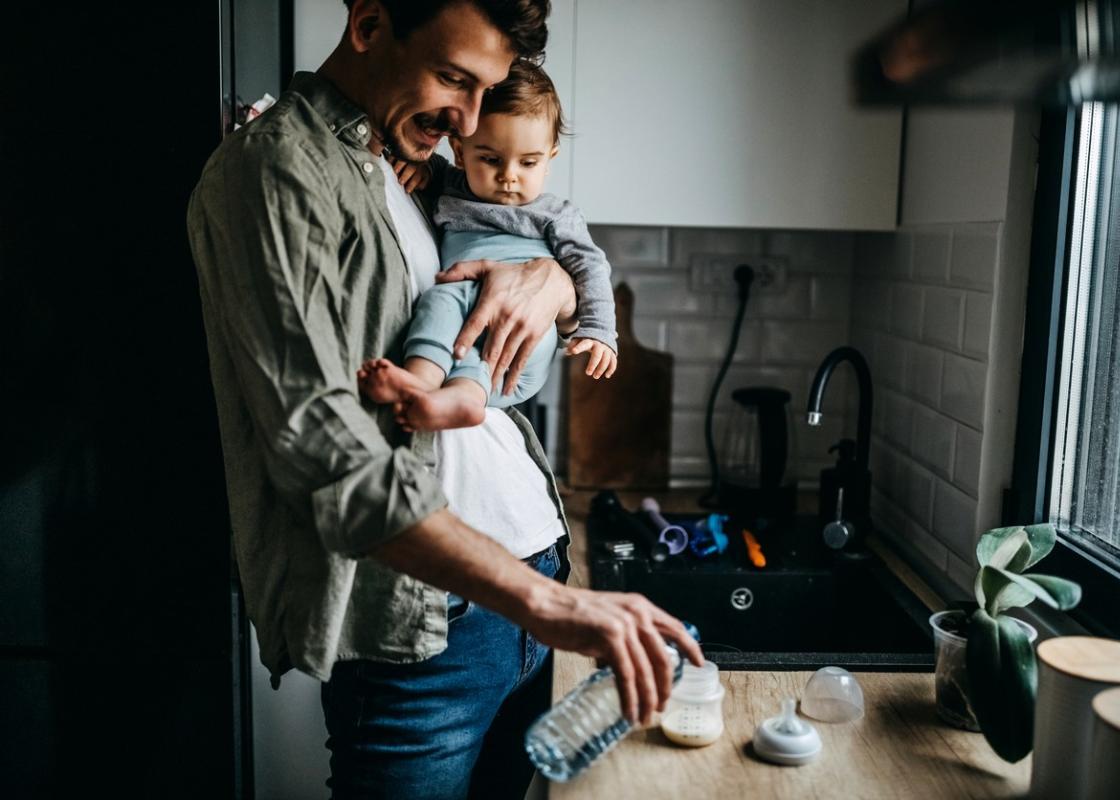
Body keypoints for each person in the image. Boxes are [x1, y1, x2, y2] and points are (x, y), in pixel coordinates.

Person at [186, 1, 702, 798]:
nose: (466, 120)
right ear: (368, 27)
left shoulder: (408, 162)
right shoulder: (276, 169)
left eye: (485, 90)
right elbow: (329, 456)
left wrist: (555, 281)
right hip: (430, 631)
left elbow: (520, 257)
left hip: (528, 580)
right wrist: (545, 602)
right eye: (453, 78)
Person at [358, 60, 618, 433]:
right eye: (490, 159)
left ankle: (421, 381)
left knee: (447, 300)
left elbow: (591, 267)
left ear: (549, 160)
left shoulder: (555, 214)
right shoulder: (451, 185)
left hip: (524, 339)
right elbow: (432, 171)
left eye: (528, 162)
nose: (508, 175)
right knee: (447, 311)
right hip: (467, 328)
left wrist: (599, 331)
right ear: (460, 153)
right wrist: (425, 172)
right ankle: (441, 395)